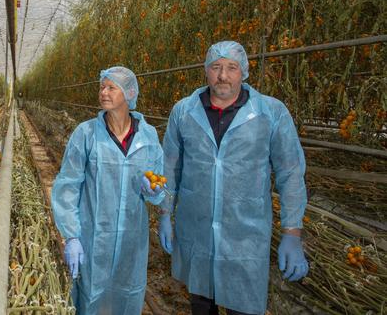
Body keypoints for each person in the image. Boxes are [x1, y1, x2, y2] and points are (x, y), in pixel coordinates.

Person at [159, 41, 309, 315]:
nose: (223, 75)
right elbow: (170, 168)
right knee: (201, 303)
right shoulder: (183, 111)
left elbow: (290, 173)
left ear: (244, 72)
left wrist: (292, 232)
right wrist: (164, 213)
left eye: (231, 68)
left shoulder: (271, 113)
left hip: (245, 237)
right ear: (206, 71)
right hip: (196, 232)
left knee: (244, 305)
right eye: (216, 67)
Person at [51, 66, 166, 314]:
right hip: (93, 239)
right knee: (90, 297)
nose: (104, 92)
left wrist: (154, 191)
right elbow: (68, 186)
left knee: (128, 295)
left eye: (111, 87)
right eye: (101, 87)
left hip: (132, 241)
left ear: (129, 93)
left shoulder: (148, 135)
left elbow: (158, 183)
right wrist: (71, 235)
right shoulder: (86, 134)